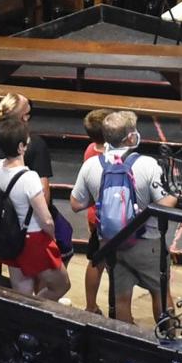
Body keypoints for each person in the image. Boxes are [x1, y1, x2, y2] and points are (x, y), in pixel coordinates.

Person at [69, 110, 177, 325]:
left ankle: (126, 349)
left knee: (121, 299)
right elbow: (167, 203)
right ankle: (169, 343)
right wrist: (174, 193)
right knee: (161, 293)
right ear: (130, 137)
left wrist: (101, 195)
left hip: (111, 243)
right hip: (148, 242)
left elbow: (76, 204)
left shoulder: (91, 165)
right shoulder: (147, 164)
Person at [0, 117, 70, 301]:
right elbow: (46, 219)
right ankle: (36, 311)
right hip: (33, 239)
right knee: (61, 285)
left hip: (10, 236)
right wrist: (52, 236)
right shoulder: (30, 178)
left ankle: (23, 319)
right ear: (21, 147)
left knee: (21, 289)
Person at [0, 93, 52, 201]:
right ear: (25, 117)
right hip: (27, 211)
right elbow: (43, 192)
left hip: (0, 210)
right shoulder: (36, 144)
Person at [80, 108, 113, 315]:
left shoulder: (90, 150)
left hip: (94, 213)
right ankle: (117, 310)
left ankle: (91, 306)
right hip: (112, 217)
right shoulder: (115, 157)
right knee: (114, 267)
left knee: (96, 260)